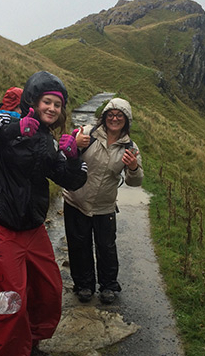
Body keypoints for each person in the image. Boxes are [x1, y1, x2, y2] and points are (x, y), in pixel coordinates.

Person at [0, 71, 88, 356]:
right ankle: (6, 349)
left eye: (57, 104)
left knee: (49, 292)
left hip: (32, 228)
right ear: (33, 100)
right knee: (9, 301)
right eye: (47, 102)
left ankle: (29, 343)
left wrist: (71, 159)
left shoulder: (48, 140)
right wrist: (13, 131)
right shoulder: (7, 120)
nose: (52, 109)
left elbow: (72, 181)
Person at [63, 97, 144, 304]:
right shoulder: (88, 134)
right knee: (78, 245)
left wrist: (133, 168)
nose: (114, 119)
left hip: (104, 207)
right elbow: (66, 158)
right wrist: (74, 143)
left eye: (119, 116)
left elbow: (136, 182)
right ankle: (83, 285)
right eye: (111, 115)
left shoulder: (130, 147)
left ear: (126, 120)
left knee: (106, 247)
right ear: (104, 117)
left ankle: (108, 286)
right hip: (76, 201)